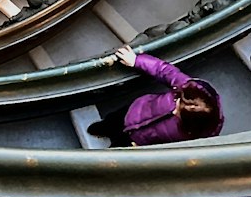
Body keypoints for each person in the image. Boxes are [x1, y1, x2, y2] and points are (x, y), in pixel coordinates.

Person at [88, 46, 224, 146]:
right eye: (177, 101)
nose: (174, 109)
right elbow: (163, 70)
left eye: (179, 113)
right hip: (135, 111)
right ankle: (101, 129)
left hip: (140, 140)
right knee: (110, 121)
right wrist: (137, 61)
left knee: (116, 150)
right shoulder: (189, 88)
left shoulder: (199, 135)